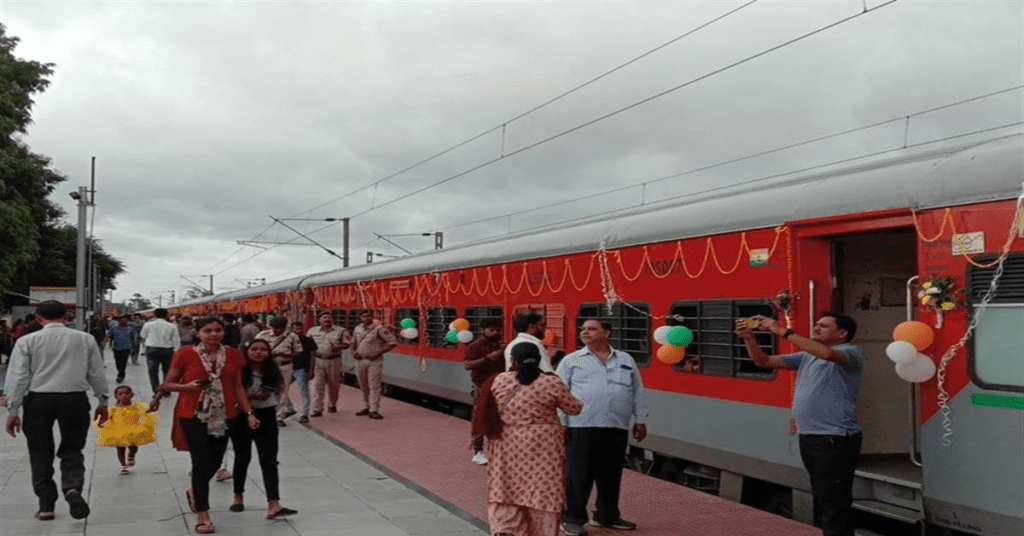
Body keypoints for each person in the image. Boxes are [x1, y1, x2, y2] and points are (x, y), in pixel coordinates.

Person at [735, 312, 864, 536]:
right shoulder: (806, 356)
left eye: (823, 326)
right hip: (811, 436)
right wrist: (749, 339)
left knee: (834, 500)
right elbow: (763, 361)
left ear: (842, 333)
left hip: (835, 438)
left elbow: (825, 353)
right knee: (823, 496)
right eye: (816, 325)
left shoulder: (851, 353)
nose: (816, 328)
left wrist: (782, 331)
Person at [150, 316, 259, 535]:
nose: (213, 334)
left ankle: (195, 491)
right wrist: (187, 387)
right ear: (198, 333)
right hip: (192, 414)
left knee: (216, 460)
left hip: (224, 414)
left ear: (224, 331)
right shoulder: (185, 353)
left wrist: (248, 413)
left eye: (218, 330)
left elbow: (238, 387)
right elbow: (168, 383)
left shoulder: (233, 354)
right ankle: (203, 514)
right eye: (207, 330)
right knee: (200, 461)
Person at [3, 300, 110, 521]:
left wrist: (13, 410)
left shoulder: (26, 341)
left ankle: (46, 505)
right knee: (73, 448)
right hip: (74, 399)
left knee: (40, 451)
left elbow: (19, 377)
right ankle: (72, 488)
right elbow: (96, 373)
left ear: (39, 318)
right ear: (66, 316)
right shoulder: (85, 339)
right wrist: (102, 400)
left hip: (38, 399)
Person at [479, 343, 583, 536]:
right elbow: (574, 408)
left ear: (512, 360)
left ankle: (506, 529)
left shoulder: (499, 380)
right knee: (543, 492)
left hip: (506, 443)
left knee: (505, 490)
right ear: (539, 359)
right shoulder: (551, 382)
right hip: (544, 445)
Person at [557, 319, 648, 535]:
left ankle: (607, 515)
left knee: (611, 473)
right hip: (581, 425)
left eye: (591, 329)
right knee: (579, 475)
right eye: (583, 329)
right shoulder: (572, 361)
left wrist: (641, 418)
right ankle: (572, 517)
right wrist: (562, 423)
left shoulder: (625, 359)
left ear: (606, 333)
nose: (584, 332)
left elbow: (637, 390)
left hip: (615, 425)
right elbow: (560, 392)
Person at [226, 339, 298, 518]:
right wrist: (249, 396)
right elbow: (234, 392)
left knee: (269, 460)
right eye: (254, 349)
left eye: (263, 350)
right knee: (243, 456)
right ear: (246, 350)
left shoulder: (272, 371)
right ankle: (238, 495)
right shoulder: (238, 370)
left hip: (267, 414)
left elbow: (270, 392)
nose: (258, 352)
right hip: (240, 416)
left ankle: (273, 502)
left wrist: (252, 396)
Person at [463, 317, 505, 465]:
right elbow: (467, 365)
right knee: (479, 417)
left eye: (498, 330)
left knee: (500, 418)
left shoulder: (502, 346)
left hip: (501, 387)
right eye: (491, 330)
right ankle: (478, 451)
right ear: (482, 330)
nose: (495, 333)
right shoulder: (475, 346)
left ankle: (497, 449)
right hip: (481, 387)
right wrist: (488, 358)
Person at [93, 384, 159, 475]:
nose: (124, 396)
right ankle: (123, 465)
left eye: (127, 393)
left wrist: (151, 411)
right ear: (116, 397)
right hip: (118, 431)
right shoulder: (113, 409)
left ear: (132, 395)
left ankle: (131, 455)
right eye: (120, 394)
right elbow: (107, 417)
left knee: (133, 446)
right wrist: (103, 423)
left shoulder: (137, 406)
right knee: (120, 448)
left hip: (134, 429)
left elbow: (146, 411)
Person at [255, 316, 301, 426]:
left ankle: (279, 417)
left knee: (283, 390)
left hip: (285, 366)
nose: (277, 331)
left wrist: (286, 355)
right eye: (275, 328)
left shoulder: (292, 336)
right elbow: (254, 349)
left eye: (280, 328)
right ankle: (263, 414)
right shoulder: (262, 335)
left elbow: (298, 352)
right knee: (265, 389)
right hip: (266, 366)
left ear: (285, 327)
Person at [351, 310, 396, 420]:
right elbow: (353, 341)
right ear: (360, 317)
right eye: (363, 316)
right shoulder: (358, 328)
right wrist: (353, 351)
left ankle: (374, 409)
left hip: (373, 361)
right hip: (360, 361)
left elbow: (392, 342)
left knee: (374, 385)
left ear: (372, 317)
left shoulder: (379, 329)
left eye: (368, 316)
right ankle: (367, 406)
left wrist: (378, 352)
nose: (366, 318)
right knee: (363, 385)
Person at [306, 311, 350, 418]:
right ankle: (317, 408)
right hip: (318, 360)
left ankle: (332, 404)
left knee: (334, 385)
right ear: (320, 320)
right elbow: (307, 345)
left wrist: (337, 347)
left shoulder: (341, 331)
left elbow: (347, 344)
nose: (327, 319)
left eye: (329, 317)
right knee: (316, 385)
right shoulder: (312, 331)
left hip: (334, 361)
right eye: (325, 317)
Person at [139, 308, 180, 397]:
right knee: (167, 371)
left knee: (152, 371)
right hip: (167, 350)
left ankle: (156, 390)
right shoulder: (172, 326)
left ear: (154, 315)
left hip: (152, 349)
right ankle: (166, 389)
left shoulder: (148, 325)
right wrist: (176, 351)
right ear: (166, 315)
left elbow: (143, 335)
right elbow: (176, 340)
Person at [290, 321, 319, 423]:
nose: (299, 331)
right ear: (292, 330)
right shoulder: (288, 340)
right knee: (280, 389)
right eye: (297, 329)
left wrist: (311, 370)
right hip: (288, 369)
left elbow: (312, 356)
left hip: (301, 369)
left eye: (301, 329)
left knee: (304, 392)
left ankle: (304, 414)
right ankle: (289, 408)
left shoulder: (308, 341)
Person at [107, 315, 137, 383]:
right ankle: (120, 371)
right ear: (119, 320)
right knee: (117, 362)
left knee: (123, 361)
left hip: (126, 347)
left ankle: (120, 376)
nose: (123, 321)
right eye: (122, 320)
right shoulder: (114, 328)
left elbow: (133, 338)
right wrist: (107, 340)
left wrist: (134, 347)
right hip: (116, 347)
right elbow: (110, 335)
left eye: (125, 320)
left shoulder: (130, 328)